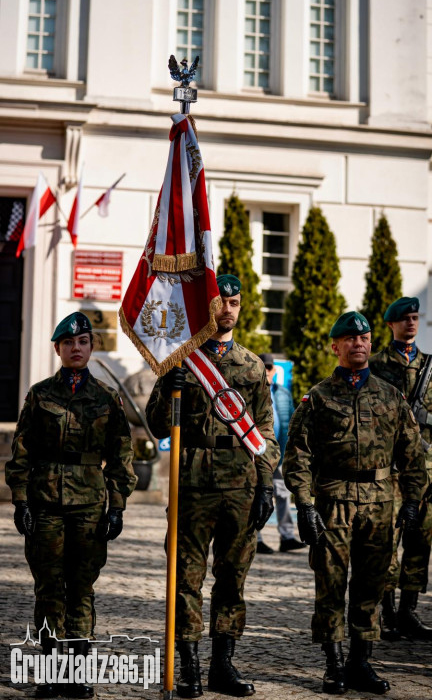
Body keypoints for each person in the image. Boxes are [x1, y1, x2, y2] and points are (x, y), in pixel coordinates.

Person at [146, 275, 279, 699]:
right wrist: (170, 391)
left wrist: (266, 484)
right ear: (208, 307)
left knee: (231, 578)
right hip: (192, 482)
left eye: (235, 302)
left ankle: (223, 663)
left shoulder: (252, 365)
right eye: (221, 302)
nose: (228, 309)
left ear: (241, 308)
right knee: (185, 578)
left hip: (240, 483)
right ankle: (187, 666)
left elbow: (265, 430)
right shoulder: (181, 361)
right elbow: (155, 423)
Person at [283, 311, 426, 696]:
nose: (358, 343)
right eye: (349, 339)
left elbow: (412, 453)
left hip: (381, 505)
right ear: (336, 346)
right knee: (330, 586)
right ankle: (333, 665)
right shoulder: (318, 398)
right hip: (333, 504)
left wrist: (412, 500)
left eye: (363, 338)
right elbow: (297, 455)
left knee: (371, 588)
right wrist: (305, 504)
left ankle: (360, 662)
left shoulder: (390, 395)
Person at [6, 312, 137, 699]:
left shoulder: (106, 398)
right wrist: (19, 500)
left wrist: (117, 505)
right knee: (49, 588)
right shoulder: (40, 394)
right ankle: (50, 672)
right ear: (58, 349)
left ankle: (76, 674)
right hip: (45, 504)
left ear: (91, 347)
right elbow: (22, 451)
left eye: (82, 342)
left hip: (89, 506)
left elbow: (120, 455)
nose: (75, 348)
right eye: (68, 343)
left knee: (81, 589)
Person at [369, 296, 432, 640]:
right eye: (404, 318)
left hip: (425, 471)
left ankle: (409, 611)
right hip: (388, 470)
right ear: (391, 323)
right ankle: (387, 610)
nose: (411, 323)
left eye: (414, 317)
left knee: (420, 541)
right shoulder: (376, 366)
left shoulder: (431, 367)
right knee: (386, 541)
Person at [256, 353, 304, 553]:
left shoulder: (283, 393)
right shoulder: (252, 391)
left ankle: (287, 537)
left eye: (269, 368)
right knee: (257, 494)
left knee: (283, 494)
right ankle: (256, 538)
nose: (267, 371)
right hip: (258, 454)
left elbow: (292, 421)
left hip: (281, 452)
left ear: (274, 370)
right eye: (263, 367)